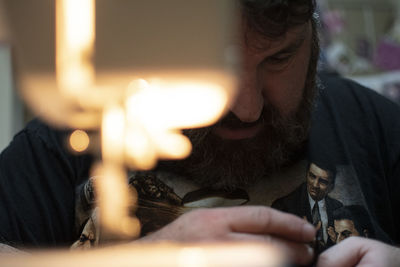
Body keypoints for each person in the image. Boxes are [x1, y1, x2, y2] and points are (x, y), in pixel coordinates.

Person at [0, 0, 399, 266]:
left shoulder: (376, 128)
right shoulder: (58, 147)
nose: (248, 109)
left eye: (278, 58)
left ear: (312, 38)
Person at [271, 162, 343, 251]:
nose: (315, 185)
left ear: (331, 187)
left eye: (323, 181)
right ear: (306, 175)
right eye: (312, 176)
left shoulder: (338, 208)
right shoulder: (282, 207)